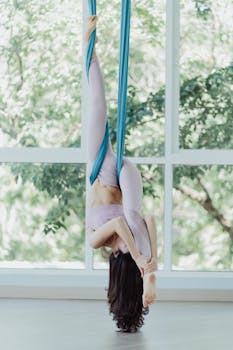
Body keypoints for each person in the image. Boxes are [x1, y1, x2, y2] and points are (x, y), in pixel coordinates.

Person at [85, 14, 158, 333]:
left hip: (100, 170)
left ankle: (87, 45)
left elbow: (115, 225)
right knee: (133, 212)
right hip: (125, 174)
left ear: (116, 262)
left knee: (97, 106)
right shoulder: (134, 249)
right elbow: (151, 221)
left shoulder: (96, 243)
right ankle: (151, 275)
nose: (123, 247)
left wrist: (139, 257)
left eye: (123, 252)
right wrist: (151, 262)